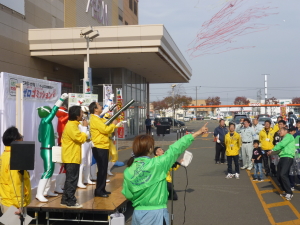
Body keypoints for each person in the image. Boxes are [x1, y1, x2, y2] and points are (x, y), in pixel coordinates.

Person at [122, 123, 208, 225]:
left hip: (138, 214)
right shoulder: (157, 163)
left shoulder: (128, 170)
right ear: (150, 149)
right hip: (156, 215)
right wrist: (197, 133)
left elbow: (128, 194)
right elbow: (176, 148)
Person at [36, 93, 68, 202]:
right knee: (48, 170)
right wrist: (61, 99)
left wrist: (51, 136)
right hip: (47, 149)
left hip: (47, 148)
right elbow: (54, 111)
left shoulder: (44, 123)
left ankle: (46, 191)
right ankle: (39, 193)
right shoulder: (46, 121)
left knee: (50, 169)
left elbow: (40, 138)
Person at [60, 105, 88, 208]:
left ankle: (65, 199)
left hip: (71, 156)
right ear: (76, 116)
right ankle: (71, 201)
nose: (82, 115)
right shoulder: (72, 126)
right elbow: (80, 139)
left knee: (70, 179)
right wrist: (85, 127)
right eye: (81, 113)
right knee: (72, 180)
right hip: (71, 157)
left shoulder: (73, 124)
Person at [89, 102, 118, 198]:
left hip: (103, 146)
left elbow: (104, 124)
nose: (101, 106)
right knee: (101, 169)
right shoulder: (94, 119)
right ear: (95, 109)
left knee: (103, 169)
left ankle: (102, 189)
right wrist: (113, 125)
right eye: (99, 106)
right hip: (99, 146)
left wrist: (108, 118)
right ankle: (99, 191)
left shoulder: (98, 118)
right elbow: (105, 129)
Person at [0, 127, 30, 215]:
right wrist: (20, 205)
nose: (23, 140)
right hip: (14, 205)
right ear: (16, 140)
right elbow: (15, 183)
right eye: (22, 137)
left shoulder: (4, 156)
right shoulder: (14, 158)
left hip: (7, 200)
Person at [267, 127, 295, 201]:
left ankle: (289, 192)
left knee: (283, 174)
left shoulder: (289, 136)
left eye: (281, 131)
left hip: (288, 157)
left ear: (286, 131)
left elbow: (281, 145)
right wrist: (271, 152)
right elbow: (280, 149)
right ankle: (286, 191)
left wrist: (272, 149)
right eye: (279, 131)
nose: (279, 132)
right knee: (279, 175)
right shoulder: (284, 138)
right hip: (282, 157)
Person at [77, 106, 95, 189]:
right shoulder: (78, 123)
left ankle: (87, 179)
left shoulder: (87, 121)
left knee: (88, 162)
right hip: (83, 143)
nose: (85, 115)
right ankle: (79, 181)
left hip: (88, 142)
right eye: (84, 113)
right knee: (81, 162)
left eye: (86, 113)